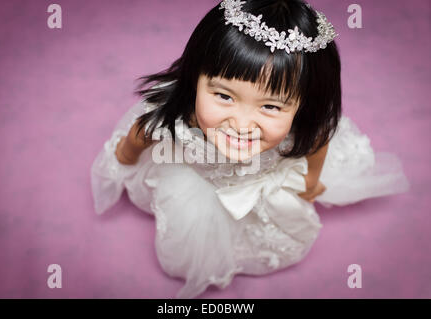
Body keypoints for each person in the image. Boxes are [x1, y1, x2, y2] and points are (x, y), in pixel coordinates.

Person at [90, 0, 410, 298]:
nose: (241, 123)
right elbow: (138, 135)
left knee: (279, 224)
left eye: (271, 106)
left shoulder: (305, 131)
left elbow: (317, 147)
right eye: (224, 96)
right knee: (191, 243)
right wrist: (124, 159)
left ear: (302, 106)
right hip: (197, 184)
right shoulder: (174, 120)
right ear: (195, 80)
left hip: (261, 187)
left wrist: (312, 181)